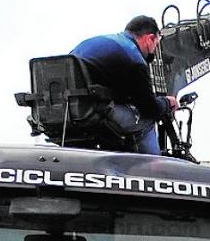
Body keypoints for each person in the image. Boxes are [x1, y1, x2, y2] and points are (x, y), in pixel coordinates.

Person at [70, 15, 179, 154]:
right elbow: (149, 109)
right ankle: (152, 168)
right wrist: (167, 102)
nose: (154, 51)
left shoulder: (90, 43)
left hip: (70, 110)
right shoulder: (134, 58)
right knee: (147, 121)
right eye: (156, 45)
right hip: (94, 110)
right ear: (150, 38)